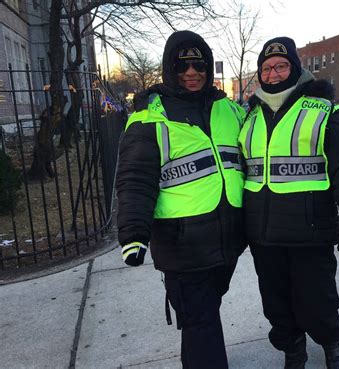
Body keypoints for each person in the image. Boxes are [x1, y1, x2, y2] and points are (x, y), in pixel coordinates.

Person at [116, 30, 246, 369]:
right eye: (182, 65)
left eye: (198, 64)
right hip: (181, 247)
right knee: (201, 322)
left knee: (203, 318)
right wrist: (133, 235)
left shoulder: (229, 110)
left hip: (227, 243)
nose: (192, 72)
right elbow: (135, 180)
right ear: (169, 69)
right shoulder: (149, 118)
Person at [238, 37, 339, 369]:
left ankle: (330, 345)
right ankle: (293, 350)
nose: (273, 74)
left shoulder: (323, 110)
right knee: (276, 305)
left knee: (318, 302)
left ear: (295, 69)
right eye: (266, 68)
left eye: (281, 66)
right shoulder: (248, 116)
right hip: (263, 236)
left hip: (310, 231)